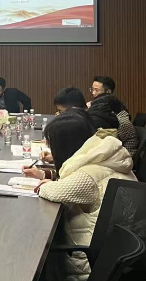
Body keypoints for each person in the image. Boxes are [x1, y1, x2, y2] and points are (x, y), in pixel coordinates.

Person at [23, 110, 135, 280]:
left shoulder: (88, 175)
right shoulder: (104, 155)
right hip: (110, 256)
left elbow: (53, 191)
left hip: (86, 264)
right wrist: (47, 175)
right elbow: (80, 180)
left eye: (52, 143)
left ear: (65, 145)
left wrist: (45, 185)